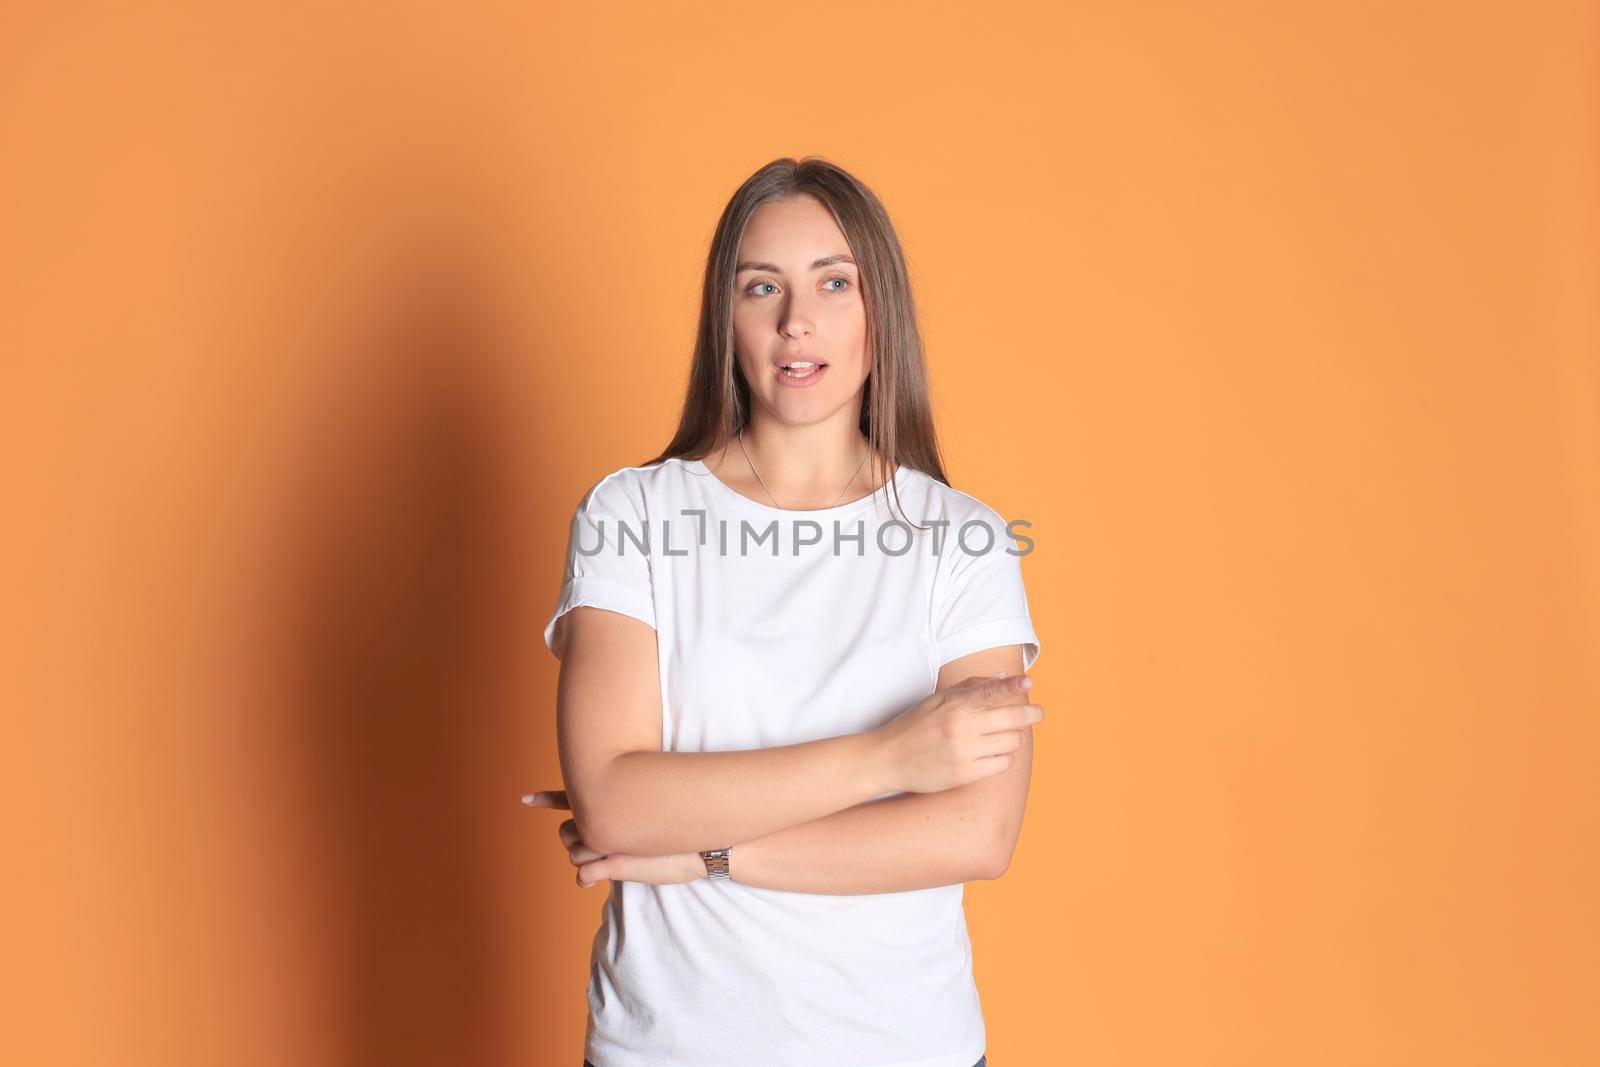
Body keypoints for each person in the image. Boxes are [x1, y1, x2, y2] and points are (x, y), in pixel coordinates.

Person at [525, 156, 1041, 1067]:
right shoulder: (633, 515)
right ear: (724, 319)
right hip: (668, 1047)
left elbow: (974, 833)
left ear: (880, 310)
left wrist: (700, 852)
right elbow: (612, 801)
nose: (795, 321)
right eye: (761, 286)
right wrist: (890, 756)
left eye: (833, 283)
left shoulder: (966, 538)